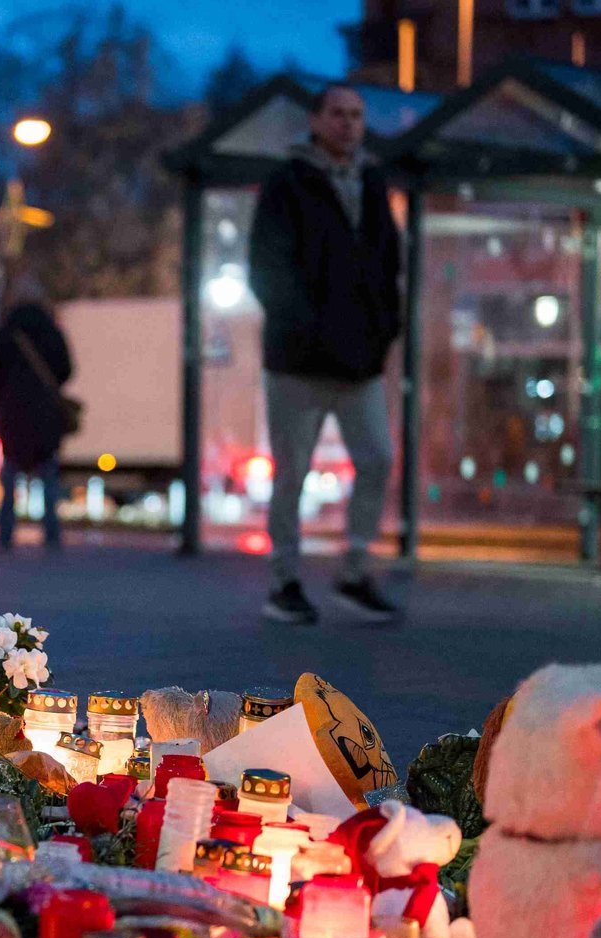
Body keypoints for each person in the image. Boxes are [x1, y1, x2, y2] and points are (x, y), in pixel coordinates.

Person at [247, 83, 403, 625]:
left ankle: (355, 572)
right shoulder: (287, 183)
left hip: (359, 362)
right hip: (298, 361)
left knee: (378, 458)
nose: (348, 123)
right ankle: (284, 581)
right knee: (291, 472)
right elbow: (268, 269)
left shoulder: (371, 180)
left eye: (357, 115)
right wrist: (307, 330)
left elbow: (388, 265)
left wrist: (384, 330)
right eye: (337, 113)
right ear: (315, 120)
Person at [0, 288, 74, 550]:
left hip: (12, 413)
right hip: (45, 413)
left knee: (10, 472)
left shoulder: (7, 332)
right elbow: (66, 369)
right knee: (47, 472)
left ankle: (6, 531)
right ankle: (51, 532)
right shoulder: (51, 330)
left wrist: (6, 395)